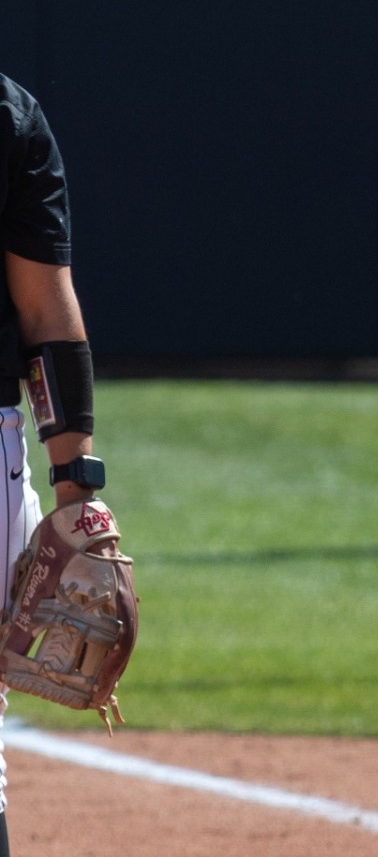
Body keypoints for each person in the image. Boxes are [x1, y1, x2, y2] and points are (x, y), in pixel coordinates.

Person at [0, 72, 109, 854]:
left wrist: (79, 497)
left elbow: (45, 315)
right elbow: (45, 311)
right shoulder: (8, 111)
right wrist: (78, 496)